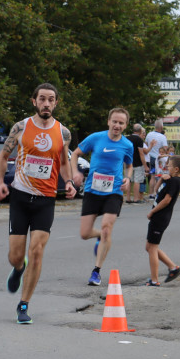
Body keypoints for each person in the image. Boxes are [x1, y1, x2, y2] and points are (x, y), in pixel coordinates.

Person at [0, 82, 77, 324]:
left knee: (38, 251)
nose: (46, 103)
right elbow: (3, 155)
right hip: (20, 197)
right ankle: (19, 268)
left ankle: (24, 304)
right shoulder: (21, 127)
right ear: (34, 101)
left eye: (51, 99)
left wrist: (69, 182)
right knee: (16, 256)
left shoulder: (63, 133)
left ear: (56, 103)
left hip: (46, 198)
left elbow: (63, 163)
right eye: (42, 99)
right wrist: (1, 182)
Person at [71, 107, 134, 286]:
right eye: (114, 121)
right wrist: (75, 172)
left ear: (125, 125)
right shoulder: (96, 138)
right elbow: (75, 153)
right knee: (84, 234)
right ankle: (101, 235)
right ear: (108, 122)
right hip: (92, 190)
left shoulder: (127, 145)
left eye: (121, 123)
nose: (117, 125)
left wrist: (128, 178)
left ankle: (96, 271)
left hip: (113, 192)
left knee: (107, 228)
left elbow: (129, 165)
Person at [144, 155, 180, 286]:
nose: (166, 168)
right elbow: (156, 191)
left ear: (176, 169)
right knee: (149, 247)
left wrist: (153, 211)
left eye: (169, 166)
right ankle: (173, 268)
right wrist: (161, 179)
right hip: (158, 216)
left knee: (152, 248)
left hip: (161, 217)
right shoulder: (170, 179)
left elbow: (167, 200)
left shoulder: (175, 182)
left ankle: (154, 280)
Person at [144, 120, 167, 200]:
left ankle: (151, 194)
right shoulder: (163, 137)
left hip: (150, 158)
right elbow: (165, 149)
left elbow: (146, 145)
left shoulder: (149, 134)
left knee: (152, 176)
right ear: (161, 127)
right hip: (159, 160)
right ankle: (157, 193)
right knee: (159, 176)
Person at [127, 123, 148, 203]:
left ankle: (128, 198)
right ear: (139, 131)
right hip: (138, 163)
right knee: (137, 181)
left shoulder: (127, 138)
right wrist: (145, 166)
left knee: (129, 180)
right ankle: (136, 199)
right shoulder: (139, 140)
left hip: (128, 163)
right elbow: (141, 154)